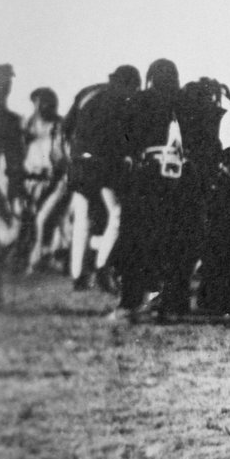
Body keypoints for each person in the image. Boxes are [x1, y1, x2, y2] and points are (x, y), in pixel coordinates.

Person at [117, 59, 204, 320]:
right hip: (183, 179)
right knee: (177, 243)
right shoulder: (189, 103)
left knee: (136, 239)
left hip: (148, 178)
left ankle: (132, 301)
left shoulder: (140, 101)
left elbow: (126, 139)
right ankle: (174, 303)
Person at [65, 64, 140, 292]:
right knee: (116, 214)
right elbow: (123, 136)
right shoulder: (123, 98)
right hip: (103, 164)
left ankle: (78, 274)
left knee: (82, 219)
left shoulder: (88, 92)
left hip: (78, 160)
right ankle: (102, 266)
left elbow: (67, 126)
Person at [0, 64, 25, 308]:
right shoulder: (8, 120)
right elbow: (14, 166)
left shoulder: (9, 120)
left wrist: (14, 196)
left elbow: (14, 165)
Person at [22, 87, 69, 272]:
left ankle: (36, 260)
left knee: (43, 218)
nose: (42, 107)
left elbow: (62, 157)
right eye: (39, 103)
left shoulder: (59, 125)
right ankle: (40, 256)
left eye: (46, 102)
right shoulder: (28, 125)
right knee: (33, 218)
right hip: (32, 179)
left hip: (55, 180)